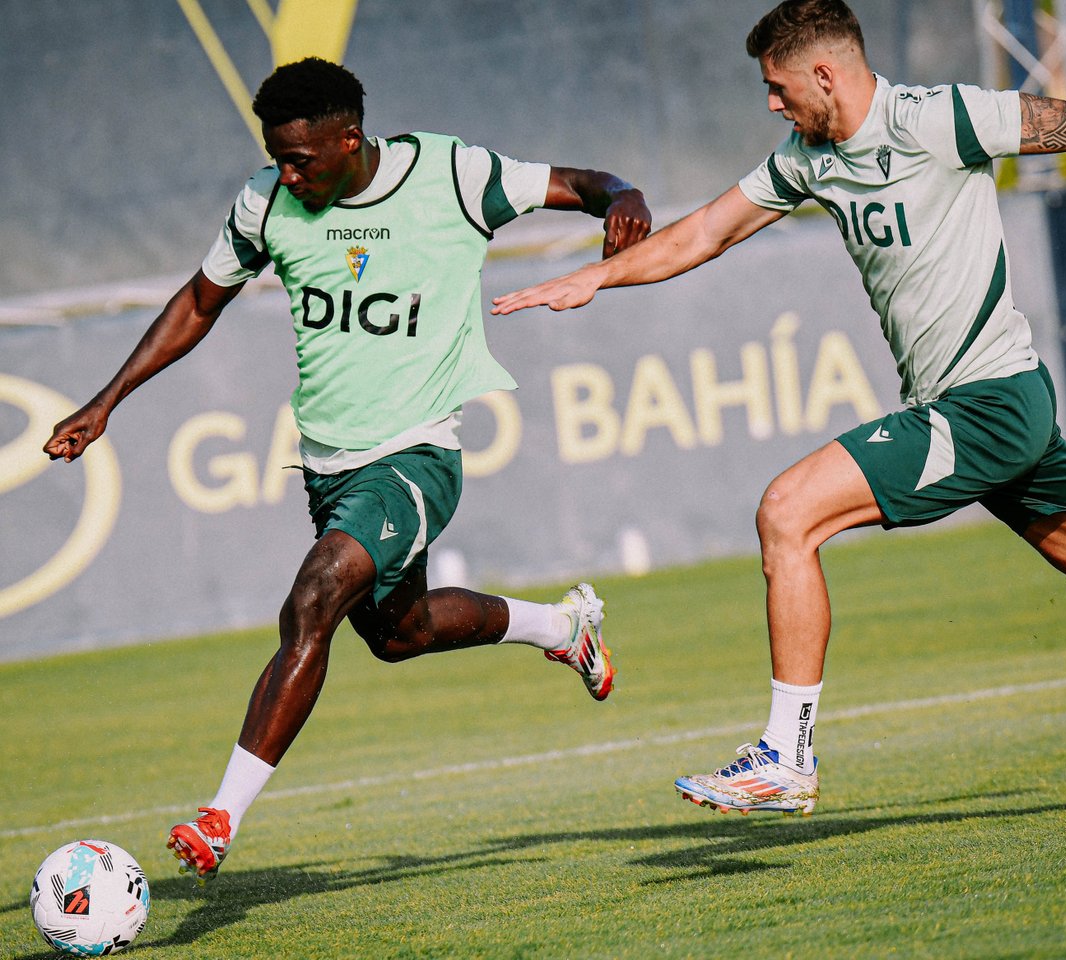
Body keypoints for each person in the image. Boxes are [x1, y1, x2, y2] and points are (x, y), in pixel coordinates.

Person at [492, 0, 1066, 815]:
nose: (771, 104)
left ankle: (786, 757)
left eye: (777, 86)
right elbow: (707, 232)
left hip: (987, 403)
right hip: (990, 404)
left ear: (824, 75)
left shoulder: (943, 119)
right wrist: (597, 277)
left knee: (788, 512)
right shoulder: (808, 157)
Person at [43, 56, 651, 874]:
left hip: (417, 456)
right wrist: (106, 399)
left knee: (315, 594)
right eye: (277, 159)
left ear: (350, 140)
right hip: (328, 470)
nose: (288, 177)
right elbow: (198, 301)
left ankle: (219, 818)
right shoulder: (266, 202)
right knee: (401, 634)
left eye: (301, 160)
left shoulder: (449, 176)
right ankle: (562, 627)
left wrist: (623, 197)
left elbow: (580, 183)